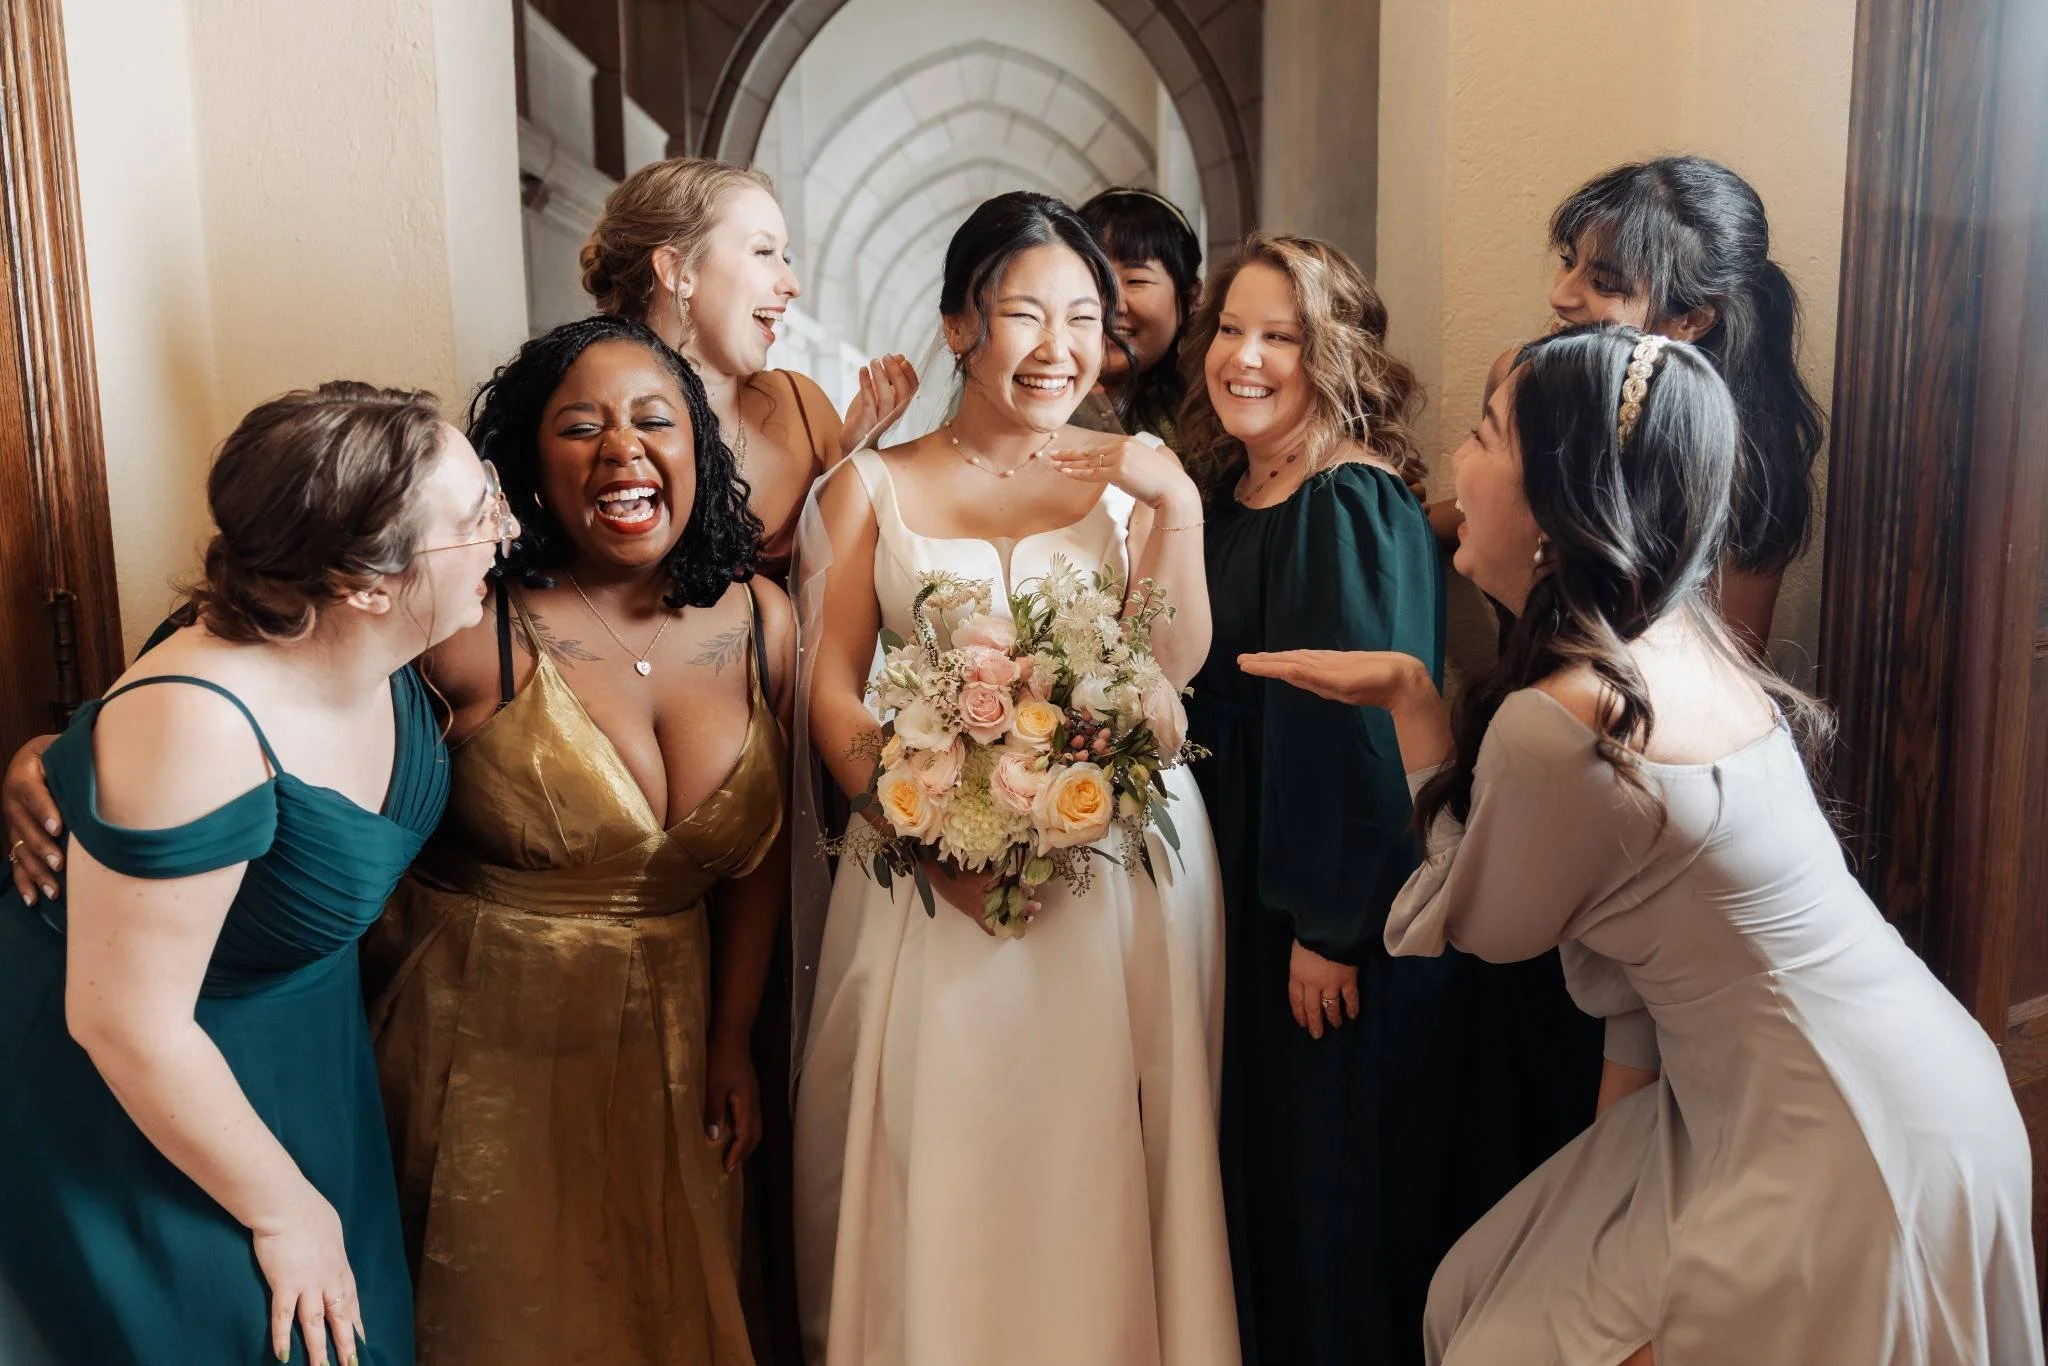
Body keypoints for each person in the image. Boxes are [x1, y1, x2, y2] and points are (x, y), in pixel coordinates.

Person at [1244, 325, 2042, 1366]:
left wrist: (1411, 711)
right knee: (1475, 1295)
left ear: (1554, 496)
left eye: (1484, 436)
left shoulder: (1567, 715)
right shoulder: (1673, 636)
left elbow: (1459, 919)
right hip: (1877, 1081)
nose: (1457, 466)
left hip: (1835, 1132)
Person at [791, 190, 1236, 1365]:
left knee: (1097, 1139)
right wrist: (910, 819)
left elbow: (1168, 662)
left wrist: (1174, 504)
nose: (1059, 346)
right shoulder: (867, 487)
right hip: (922, 857)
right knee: (942, 1135)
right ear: (956, 326)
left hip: (1109, 862)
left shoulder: (1129, 476)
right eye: (1023, 313)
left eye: (1084, 316)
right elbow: (830, 686)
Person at [0, 383, 504, 1366]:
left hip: (301, 1050)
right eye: (477, 516)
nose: (504, 530)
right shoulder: (198, 716)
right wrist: (284, 1211)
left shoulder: (370, 631)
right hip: (132, 1074)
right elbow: (121, 1019)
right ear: (365, 580)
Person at [1181, 232, 1584, 1365]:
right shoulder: (1232, 488)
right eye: (1231, 330)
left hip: (1322, 901)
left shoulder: (1343, 499)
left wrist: (1328, 926)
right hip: (1239, 870)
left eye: (1281, 336)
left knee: (1332, 1193)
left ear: (1333, 353)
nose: (1244, 358)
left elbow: (1357, 733)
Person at [365, 315, 793, 1365]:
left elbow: (759, 857)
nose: (621, 450)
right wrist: (75, 753)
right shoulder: (469, 626)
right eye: (579, 427)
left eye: (654, 419)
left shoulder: (764, 621)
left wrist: (733, 1034)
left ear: (696, 447)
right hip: (480, 1045)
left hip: (683, 1047)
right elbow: (276, 687)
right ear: (526, 465)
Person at [1428, 156, 1824, 653]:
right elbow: (1487, 506)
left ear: (1693, 319)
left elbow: (1735, 652)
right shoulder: (1521, 377)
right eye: (1568, 260)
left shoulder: (1743, 458)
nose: (1560, 295)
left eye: (1605, 284)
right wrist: (1377, 508)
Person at [581, 157, 918, 583]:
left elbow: (854, 583)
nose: (792, 284)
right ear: (678, 271)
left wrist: (855, 454)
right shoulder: (592, 426)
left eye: (785, 256)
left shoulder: (804, 406)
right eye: (763, 252)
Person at [1073, 186, 1203, 456]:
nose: (1110, 306)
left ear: (1190, 298)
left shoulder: (1211, 422)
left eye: (1136, 281)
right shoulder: (1026, 406)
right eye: (1093, 278)